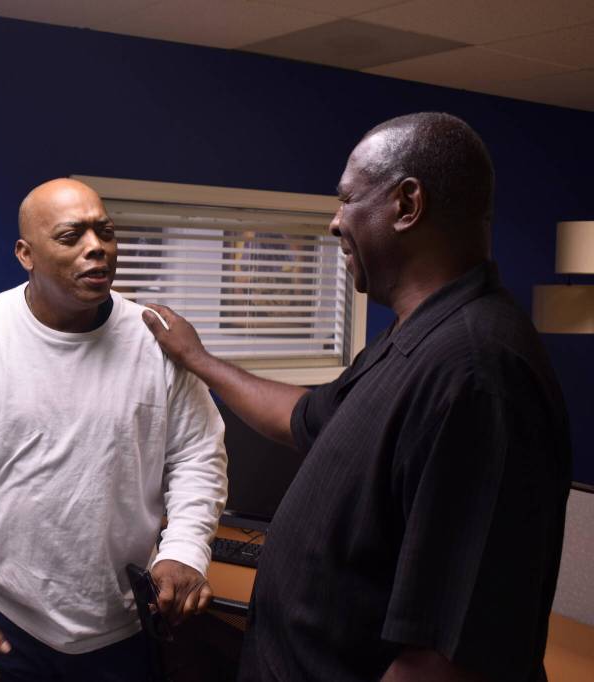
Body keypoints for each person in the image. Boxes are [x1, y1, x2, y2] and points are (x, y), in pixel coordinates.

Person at [142, 112, 572, 682]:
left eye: (347, 200)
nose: (334, 223)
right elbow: (303, 417)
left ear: (407, 204)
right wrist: (198, 359)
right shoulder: (411, 339)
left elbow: (446, 659)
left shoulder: (477, 374)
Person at [0, 178, 227, 681]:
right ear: (26, 254)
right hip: (5, 622)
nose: (96, 247)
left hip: (125, 626)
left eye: (105, 232)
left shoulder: (156, 341)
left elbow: (197, 454)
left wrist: (186, 548)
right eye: (71, 236)